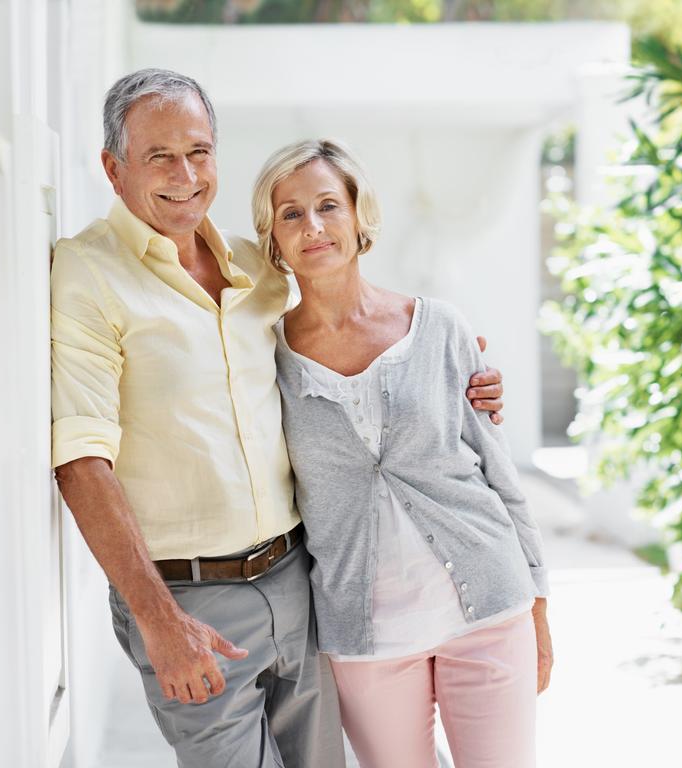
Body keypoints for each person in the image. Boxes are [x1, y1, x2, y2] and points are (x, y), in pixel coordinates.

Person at [50, 69, 505, 768]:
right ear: (113, 169)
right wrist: (158, 619)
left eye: (199, 151)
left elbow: (346, 338)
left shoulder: (255, 269)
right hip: (188, 601)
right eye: (159, 157)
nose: (185, 174)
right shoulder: (88, 273)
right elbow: (82, 460)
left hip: (300, 582)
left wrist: (462, 376)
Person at [257, 138, 553, 768]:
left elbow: (498, 473)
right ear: (273, 237)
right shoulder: (264, 359)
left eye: (329, 205)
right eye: (291, 213)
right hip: (367, 638)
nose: (313, 226)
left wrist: (539, 603)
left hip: (490, 612)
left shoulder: (438, 328)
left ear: (359, 214)